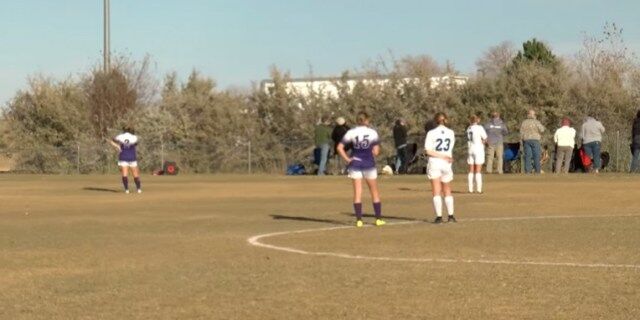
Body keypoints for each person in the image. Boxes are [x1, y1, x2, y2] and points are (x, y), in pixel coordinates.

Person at [336, 112, 386, 228]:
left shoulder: (351, 132)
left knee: (357, 192)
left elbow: (339, 147)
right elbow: (376, 152)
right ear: (367, 120)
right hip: (368, 163)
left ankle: (359, 220)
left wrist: (348, 159)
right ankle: (378, 219)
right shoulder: (372, 132)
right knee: (374, 191)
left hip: (355, 163)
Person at [424, 112, 456, 223]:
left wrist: (441, 156)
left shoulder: (431, 133)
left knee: (436, 190)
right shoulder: (451, 133)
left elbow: (428, 151)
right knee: (447, 189)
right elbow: (450, 148)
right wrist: (446, 156)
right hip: (447, 163)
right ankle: (451, 216)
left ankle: (439, 217)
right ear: (445, 120)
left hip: (435, 162)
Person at [109, 127, 142, 194]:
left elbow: (112, 141)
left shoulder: (120, 136)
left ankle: (127, 190)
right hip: (132, 157)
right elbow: (136, 144)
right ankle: (138, 189)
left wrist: (117, 146)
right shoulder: (134, 137)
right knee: (135, 174)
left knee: (124, 174)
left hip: (123, 156)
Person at [466, 115, 488, 193]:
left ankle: (470, 189)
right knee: (478, 170)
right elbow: (485, 138)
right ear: (476, 120)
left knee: (471, 170)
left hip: (470, 149)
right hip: (478, 149)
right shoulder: (479, 128)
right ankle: (479, 189)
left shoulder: (468, 128)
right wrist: (483, 142)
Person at [520, 109, 545, 174]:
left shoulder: (524, 122)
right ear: (533, 115)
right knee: (536, 155)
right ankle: (537, 170)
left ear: (528, 115)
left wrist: (522, 140)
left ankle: (528, 171)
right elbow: (542, 130)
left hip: (526, 140)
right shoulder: (536, 122)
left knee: (528, 156)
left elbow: (521, 132)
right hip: (535, 140)